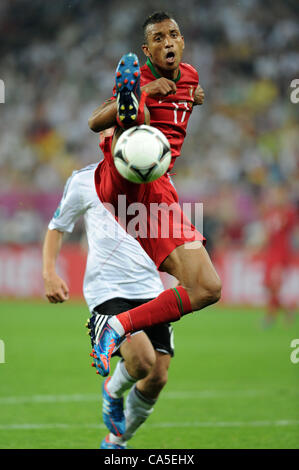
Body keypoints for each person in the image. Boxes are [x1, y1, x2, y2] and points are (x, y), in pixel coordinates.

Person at [88, 11, 222, 377]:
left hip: (157, 192)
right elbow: (94, 122)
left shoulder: (191, 77)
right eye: (158, 38)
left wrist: (194, 97)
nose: (167, 42)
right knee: (137, 120)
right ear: (146, 49)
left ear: (182, 43)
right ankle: (132, 115)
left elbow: (188, 95)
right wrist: (141, 91)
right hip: (118, 174)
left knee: (207, 288)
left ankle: (116, 326)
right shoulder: (144, 77)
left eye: (173, 35)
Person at [42, 162, 175, 449]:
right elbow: (57, 225)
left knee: (158, 376)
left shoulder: (157, 175)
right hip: (107, 289)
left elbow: (171, 230)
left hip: (151, 288)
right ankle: (113, 391)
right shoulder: (84, 180)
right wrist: (49, 272)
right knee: (141, 360)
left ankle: (116, 441)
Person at [261, 184, 298, 326]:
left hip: (282, 254)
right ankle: (288, 311)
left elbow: (294, 233)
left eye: (279, 195)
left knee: (275, 284)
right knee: (269, 286)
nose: (276, 198)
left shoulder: (289, 213)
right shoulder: (270, 212)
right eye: (274, 195)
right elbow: (267, 234)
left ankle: (270, 317)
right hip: (271, 253)